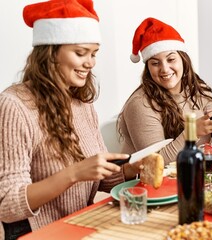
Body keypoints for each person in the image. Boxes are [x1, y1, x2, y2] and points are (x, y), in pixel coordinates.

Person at [0, 1, 137, 239]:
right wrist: (74, 173)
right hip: (38, 232)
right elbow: (8, 203)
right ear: (50, 53)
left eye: (94, 54)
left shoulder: (82, 104)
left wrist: (130, 169)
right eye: (80, 53)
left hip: (82, 223)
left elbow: (100, 179)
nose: (90, 63)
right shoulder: (14, 105)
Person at [118, 18, 212, 164]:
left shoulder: (198, 90)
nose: (164, 69)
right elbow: (155, 163)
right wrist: (192, 132)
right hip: (145, 184)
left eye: (171, 59)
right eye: (155, 63)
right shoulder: (140, 105)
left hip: (192, 175)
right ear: (148, 68)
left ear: (183, 60)